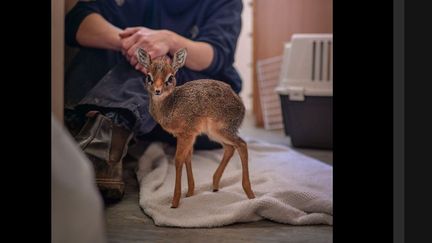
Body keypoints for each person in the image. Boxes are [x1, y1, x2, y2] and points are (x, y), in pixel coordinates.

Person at [64, 0, 244, 201]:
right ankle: (89, 127)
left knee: (164, 70)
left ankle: (108, 134)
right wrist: (132, 45)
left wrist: (169, 40)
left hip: (199, 115)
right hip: (149, 110)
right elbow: (77, 21)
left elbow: (216, 54)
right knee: (103, 48)